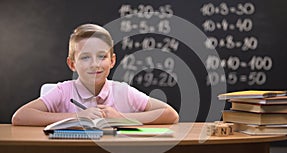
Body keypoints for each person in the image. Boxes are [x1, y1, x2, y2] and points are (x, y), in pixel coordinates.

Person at [11, 23, 179, 126]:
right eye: (85, 57)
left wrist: (121, 118)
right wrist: (77, 117)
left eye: (102, 56)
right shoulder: (63, 91)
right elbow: (20, 117)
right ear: (72, 64)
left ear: (112, 61)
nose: (95, 64)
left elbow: (170, 114)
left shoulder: (122, 92)